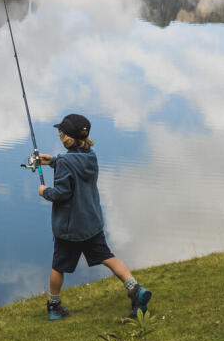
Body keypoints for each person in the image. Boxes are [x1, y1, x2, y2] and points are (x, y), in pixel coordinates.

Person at [38, 113, 151, 321]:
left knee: (59, 266)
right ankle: (135, 289)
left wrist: (44, 191)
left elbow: (62, 193)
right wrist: (52, 161)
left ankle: (54, 307)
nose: (60, 135)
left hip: (70, 229)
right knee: (108, 257)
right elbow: (75, 167)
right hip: (91, 224)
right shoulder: (91, 156)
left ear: (66, 138)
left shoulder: (65, 161)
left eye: (61, 133)